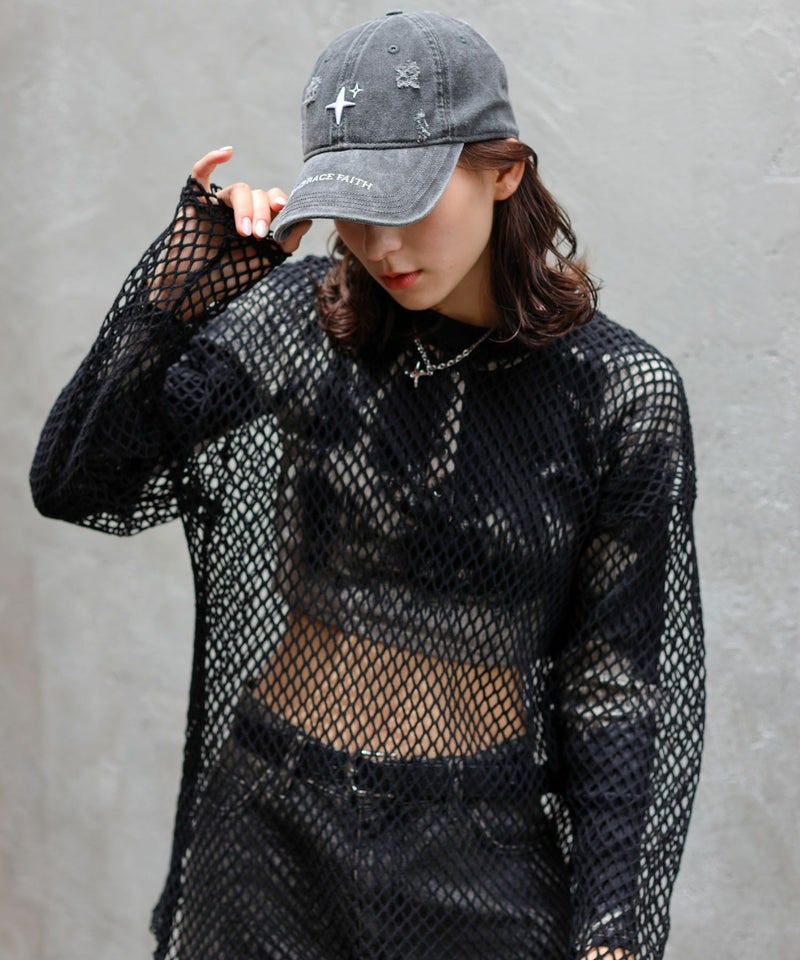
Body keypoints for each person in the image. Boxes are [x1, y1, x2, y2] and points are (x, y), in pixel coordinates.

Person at [30, 11, 704, 960]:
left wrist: (611, 932)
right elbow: (77, 481)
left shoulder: (617, 394)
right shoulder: (300, 321)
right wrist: (187, 281)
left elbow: (613, 684)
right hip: (267, 832)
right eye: (354, 208)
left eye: (407, 202)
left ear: (504, 171)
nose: (381, 245)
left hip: (476, 852)